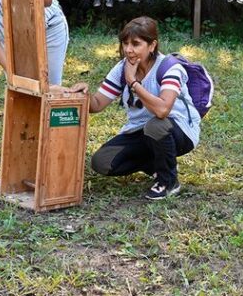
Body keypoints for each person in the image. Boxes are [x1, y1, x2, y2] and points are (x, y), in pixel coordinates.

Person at [67, 16, 200, 200]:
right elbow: (97, 104)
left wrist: (133, 82)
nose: (128, 50)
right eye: (125, 43)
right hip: (141, 131)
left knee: (156, 125)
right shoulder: (122, 68)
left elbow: (162, 111)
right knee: (102, 162)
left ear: (152, 45)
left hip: (178, 130)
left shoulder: (170, 67)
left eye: (136, 44)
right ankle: (157, 164)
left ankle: (168, 181)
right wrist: (83, 95)